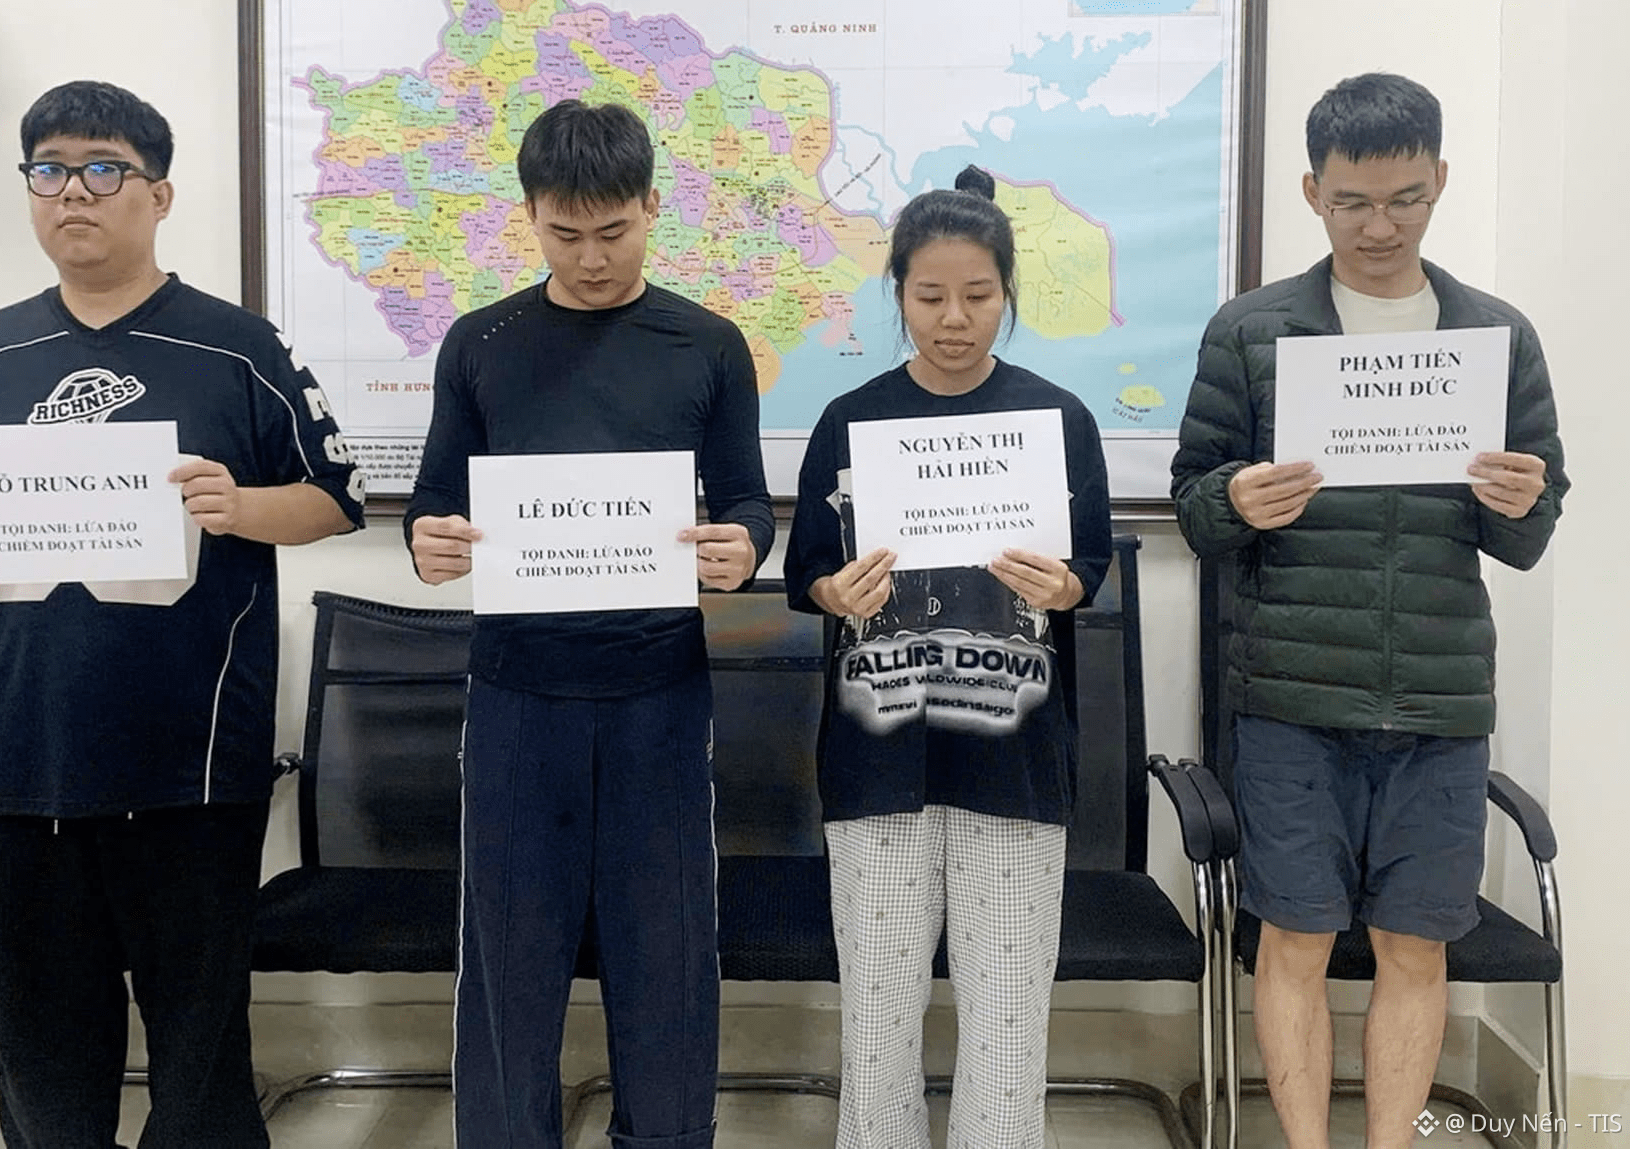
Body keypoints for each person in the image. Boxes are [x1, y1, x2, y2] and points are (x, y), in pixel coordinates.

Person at [0, 80, 365, 1147]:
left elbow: (338, 498)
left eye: (103, 170)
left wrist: (241, 506)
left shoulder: (238, 347)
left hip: (189, 759)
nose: (74, 192)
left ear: (159, 195)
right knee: (44, 1052)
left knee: (198, 1051)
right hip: (26, 751)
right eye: (50, 170)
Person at [1171, 73, 1566, 1149]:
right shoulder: (1251, 330)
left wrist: (1521, 501)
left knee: (1415, 945)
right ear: (1312, 192)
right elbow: (1196, 507)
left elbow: (1529, 532)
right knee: (1292, 939)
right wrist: (1234, 500)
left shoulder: (1494, 335)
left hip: (1439, 701)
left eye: (1405, 200)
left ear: (1439, 181)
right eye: (1351, 202)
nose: (1379, 227)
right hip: (1290, 698)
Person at [405, 99, 774, 1149]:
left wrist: (744, 550)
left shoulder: (707, 344)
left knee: (666, 950)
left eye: (613, 231)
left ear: (652, 206)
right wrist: (430, 544)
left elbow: (746, 502)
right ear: (529, 215)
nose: (593, 258)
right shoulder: (481, 342)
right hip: (518, 691)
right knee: (509, 956)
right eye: (565, 234)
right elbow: (434, 503)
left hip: (660, 690)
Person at [784, 166, 1112, 1149]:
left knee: (1008, 1021)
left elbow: (1088, 563)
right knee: (876, 1017)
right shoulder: (850, 420)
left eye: (977, 295)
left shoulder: (1058, 420)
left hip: (1013, 757)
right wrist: (833, 594)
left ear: (1007, 293)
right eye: (929, 297)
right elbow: (809, 568)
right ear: (897, 293)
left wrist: (1067, 587)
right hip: (876, 753)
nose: (954, 319)